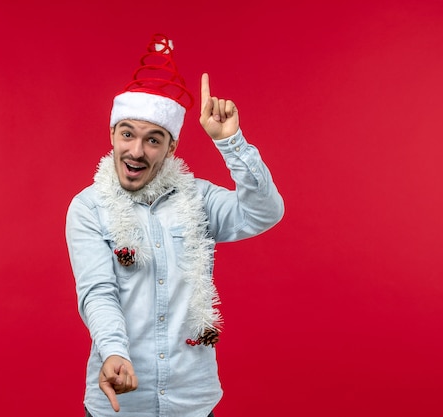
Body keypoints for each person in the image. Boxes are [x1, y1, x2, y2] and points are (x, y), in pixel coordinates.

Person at [65, 34, 284, 417]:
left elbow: (264, 212)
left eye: (153, 140)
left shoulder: (199, 198)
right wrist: (114, 351)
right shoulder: (88, 207)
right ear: (112, 136)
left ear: (171, 148)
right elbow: (98, 293)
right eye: (127, 134)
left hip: (192, 401)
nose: (136, 151)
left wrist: (231, 142)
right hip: (120, 403)